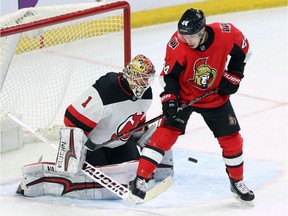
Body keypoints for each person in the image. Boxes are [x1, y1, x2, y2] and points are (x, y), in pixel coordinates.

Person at [129, 9, 255, 206]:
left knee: (233, 141)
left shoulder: (226, 33)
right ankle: (140, 179)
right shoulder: (176, 44)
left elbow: (244, 51)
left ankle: (237, 182)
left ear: (202, 30)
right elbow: (168, 76)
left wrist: (235, 74)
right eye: (183, 35)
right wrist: (170, 99)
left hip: (215, 96)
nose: (186, 39)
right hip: (184, 96)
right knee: (166, 133)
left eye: (191, 35)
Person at [16, 54, 174, 200]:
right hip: (94, 146)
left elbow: (137, 122)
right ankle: (44, 179)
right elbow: (71, 118)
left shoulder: (146, 94)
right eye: (142, 78)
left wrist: (148, 143)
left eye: (148, 79)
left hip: (121, 142)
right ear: (131, 76)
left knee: (134, 169)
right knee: (94, 179)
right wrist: (78, 150)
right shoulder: (107, 90)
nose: (146, 83)